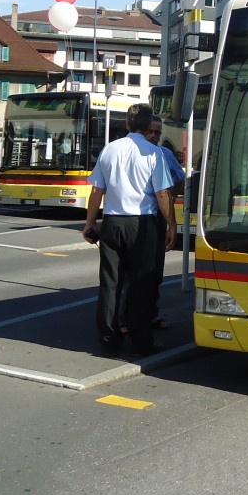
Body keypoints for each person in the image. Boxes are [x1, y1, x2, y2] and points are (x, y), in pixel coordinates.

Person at [83, 103, 177, 357]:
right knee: (141, 284)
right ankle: (140, 341)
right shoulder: (153, 153)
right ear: (149, 126)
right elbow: (162, 194)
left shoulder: (109, 150)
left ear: (127, 124)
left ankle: (109, 339)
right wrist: (172, 224)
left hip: (112, 222)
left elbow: (96, 191)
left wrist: (90, 223)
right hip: (142, 223)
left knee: (110, 283)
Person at [144, 116, 185, 331]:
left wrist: (170, 199)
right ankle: (127, 318)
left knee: (154, 270)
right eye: (150, 131)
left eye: (157, 132)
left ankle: (151, 314)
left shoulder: (164, 154)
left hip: (157, 216)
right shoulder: (132, 152)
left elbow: (180, 179)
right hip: (135, 217)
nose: (153, 136)